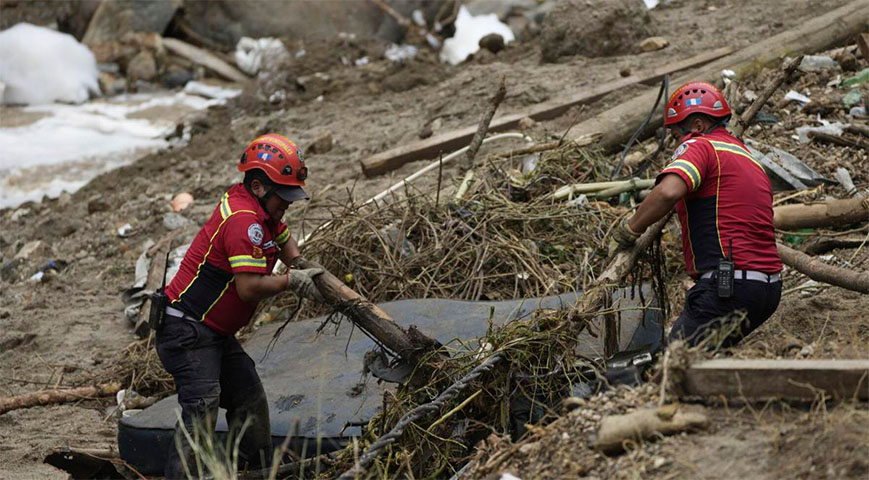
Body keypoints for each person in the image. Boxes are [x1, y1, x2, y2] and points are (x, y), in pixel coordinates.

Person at [156, 133, 326, 478]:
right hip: (187, 330)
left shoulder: (263, 212)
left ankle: (252, 470)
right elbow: (248, 289)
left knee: (249, 399)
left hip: (213, 332)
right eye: (285, 196)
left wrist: (300, 262)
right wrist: (292, 281)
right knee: (202, 411)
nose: (289, 204)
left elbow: (283, 238)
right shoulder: (242, 221)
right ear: (260, 186)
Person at [611, 81, 782, 349]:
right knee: (707, 363)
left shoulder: (701, 146)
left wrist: (629, 230)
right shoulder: (747, 157)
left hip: (729, 285)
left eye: (677, 135)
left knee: (673, 366)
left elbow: (667, 192)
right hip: (768, 288)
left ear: (698, 126)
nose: (677, 143)